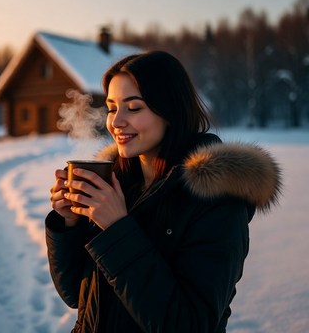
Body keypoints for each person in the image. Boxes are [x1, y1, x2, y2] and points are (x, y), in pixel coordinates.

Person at [45, 51, 282, 332]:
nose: (116, 122)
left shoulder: (215, 199)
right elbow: (76, 294)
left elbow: (190, 325)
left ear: (170, 110)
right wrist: (68, 224)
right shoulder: (119, 184)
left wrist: (116, 229)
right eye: (111, 108)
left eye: (133, 108)